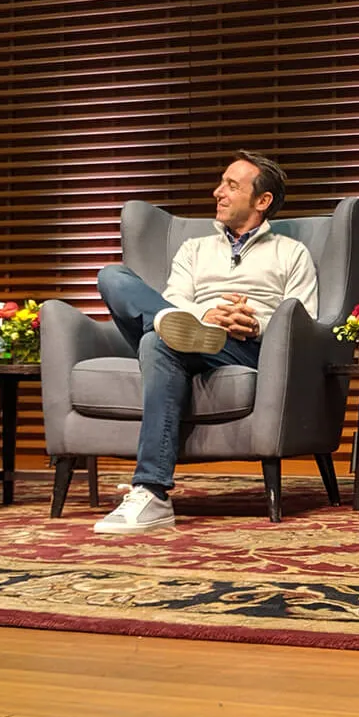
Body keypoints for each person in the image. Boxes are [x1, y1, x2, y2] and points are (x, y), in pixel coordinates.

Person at [92, 151, 317, 533]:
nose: (218, 192)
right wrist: (206, 315)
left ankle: (151, 490)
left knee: (155, 342)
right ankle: (152, 495)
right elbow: (175, 300)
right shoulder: (194, 249)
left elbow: (304, 320)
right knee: (113, 278)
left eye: (231, 186)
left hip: (244, 347)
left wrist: (255, 324)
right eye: (220, 183)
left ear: (262, 201)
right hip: (191, 334)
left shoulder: (291, 253)